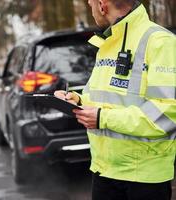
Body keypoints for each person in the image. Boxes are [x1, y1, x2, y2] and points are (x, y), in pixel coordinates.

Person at [54, 0, 176, 200]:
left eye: (91, 3)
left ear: (102, 5)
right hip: (104, 172)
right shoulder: (108, 43)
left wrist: (102, 118)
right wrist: (76, 100)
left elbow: (167, 113)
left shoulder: (160, 41)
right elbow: (103, 99)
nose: (91, 9)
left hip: (145, 178)